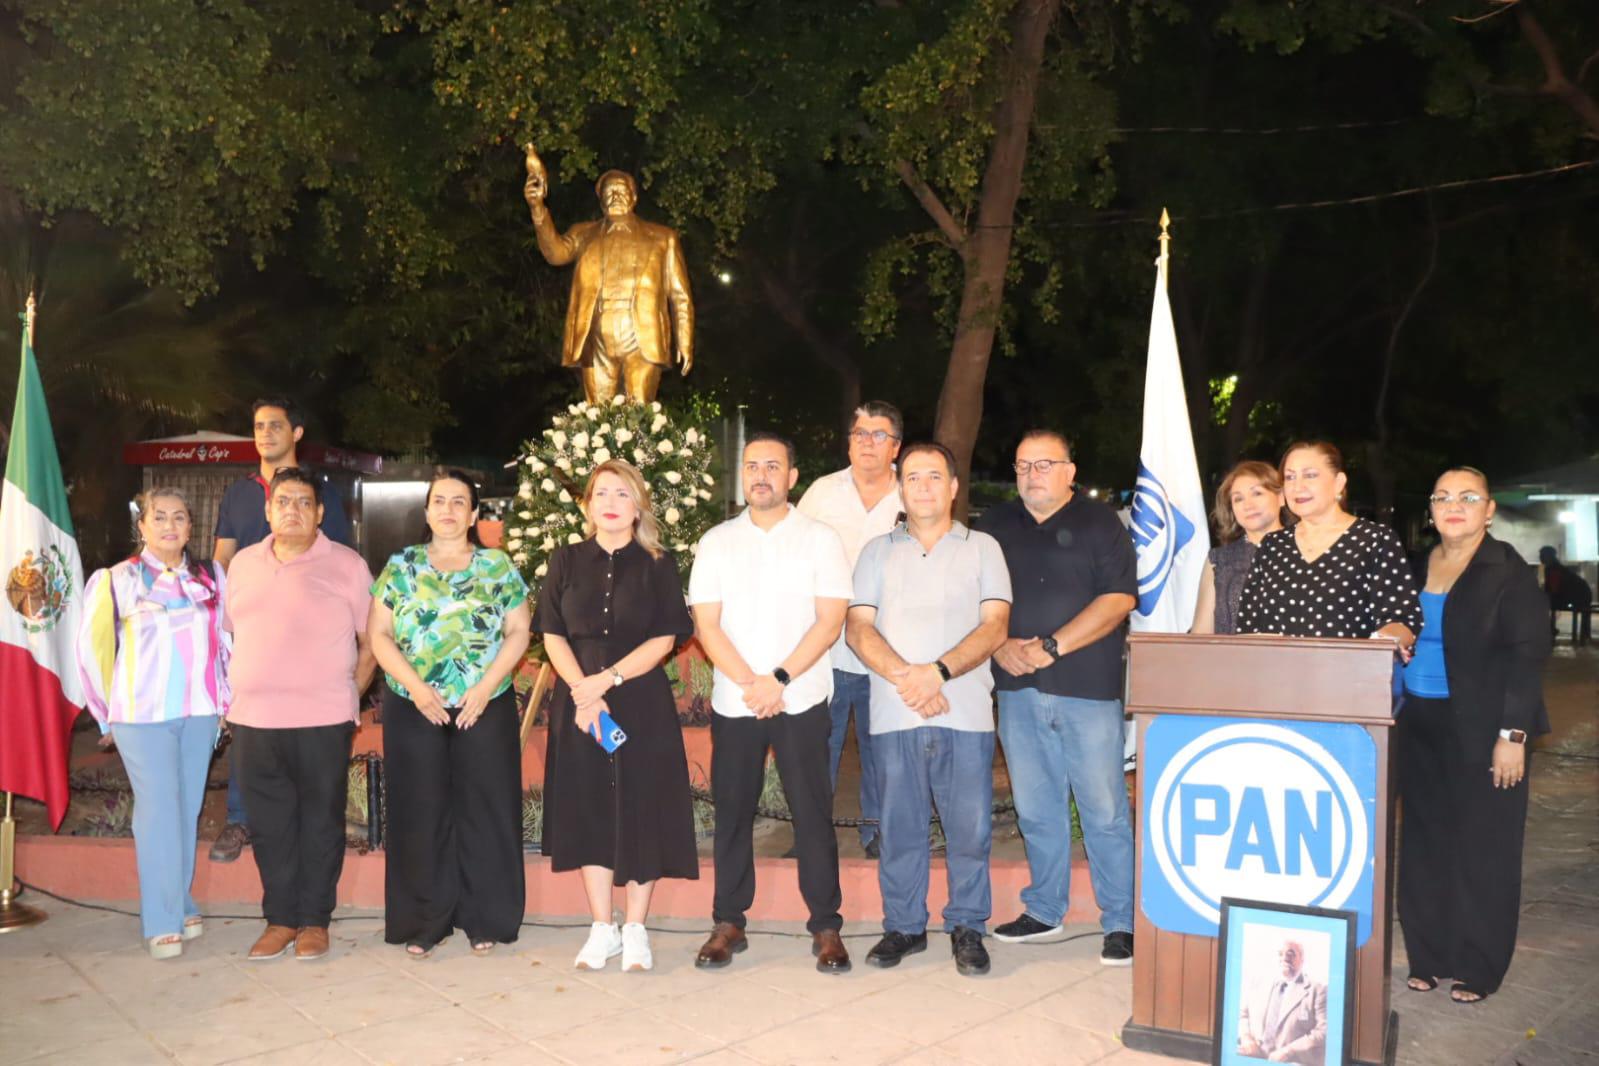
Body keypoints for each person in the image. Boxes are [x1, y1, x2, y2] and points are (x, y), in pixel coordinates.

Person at [689, 433, 854, 973]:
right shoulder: (716, 541)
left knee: (812, 813)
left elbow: (830, 620)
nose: (760, 474)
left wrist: (778, 678)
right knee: (733, 815)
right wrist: (750, 682)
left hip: (801, 696)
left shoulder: (820, 539)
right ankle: (728, 922)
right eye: (752, 465)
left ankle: (826, 925)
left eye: (772, 466)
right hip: (735, 702)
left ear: (792, 476)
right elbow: (706, 625)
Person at [846, 442, 1011, 977]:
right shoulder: (876, 552)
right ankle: (904, 927)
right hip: (895, 714)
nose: (923, 486)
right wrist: (909, 679)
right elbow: (858, 628)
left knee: (970, 830)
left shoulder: (983, 547)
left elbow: (994, 627)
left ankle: (967, 925)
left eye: (934, 477)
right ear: (901, 486)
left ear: (953, 486)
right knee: (900, 827)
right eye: (913, 477)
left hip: (963, 714)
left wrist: (936, 673)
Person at [977, 430, 1139, 965]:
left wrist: (1051, 646)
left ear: (1071, 471)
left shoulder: (1102, 525)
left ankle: (1120, 920)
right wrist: (1000, 646)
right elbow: (975, 601)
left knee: (1105, 810)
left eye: (1045, 464)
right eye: (1023, 465)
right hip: (1017, 690)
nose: (1032, 474)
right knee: (1036, 809)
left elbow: (1118, 600)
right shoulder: (993, 527)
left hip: (1088, 690)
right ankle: (1045, 909)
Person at [533, 459, 697, 972]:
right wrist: (584, 690)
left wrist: (608, 681)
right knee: (590, 810)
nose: (610, 502)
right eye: (601, 492)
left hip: (639, 701)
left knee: (640, 808)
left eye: (622, 494)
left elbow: (666, 637)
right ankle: (602, 927)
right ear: (587, 503)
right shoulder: (565, 559)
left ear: (638, 505)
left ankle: (636, 929)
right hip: (581, 707)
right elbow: (552, 633)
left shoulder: (658, 564)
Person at [1398, 467, 1551, 1004]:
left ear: (1489, 509)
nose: (1453, 505)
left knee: (1483, 847)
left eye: (1467, 497)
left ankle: (1478, 964)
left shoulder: (1507, 570)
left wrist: (1514, 733)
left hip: (1485, 727)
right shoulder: (1415, 565)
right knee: (1423, 843)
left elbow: (1527, 657)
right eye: (1442, 496)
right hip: (1416, 722)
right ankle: (1429, 954)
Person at [369, 470, 532, 959]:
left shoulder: (497, 566)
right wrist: (417, 690)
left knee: (486, 811)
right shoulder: (401, 566)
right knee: (421, 811)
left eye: (459, 502)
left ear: (475, 514)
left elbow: (519, 631)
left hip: (485, 704)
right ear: (426, 512)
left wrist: (484, 688)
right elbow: (379, 634)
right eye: (439, 501)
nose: (448, 510)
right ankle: (425, 920)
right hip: (416, 705)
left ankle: (486, 917)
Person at [226, 468, 375, 962]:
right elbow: (230, 636)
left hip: (322, 718)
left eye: (303, 502)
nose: (293, 510)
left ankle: (314, 919)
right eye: (283, 501)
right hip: (253, 719)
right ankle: (280, 919)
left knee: (318, 820)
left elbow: (371, 640)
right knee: (269, 824)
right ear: (268, 510)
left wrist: (348, 694)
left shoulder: (347, 565)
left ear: (320, 513)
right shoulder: (243, 565)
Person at [76, 489, 229, 959]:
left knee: (185, 809)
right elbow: (92, 651)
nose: (169, 525)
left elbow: (226, 640)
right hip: (141, 716)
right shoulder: (115, 580)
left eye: (179, 517)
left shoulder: (211, 576)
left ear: (190, 527)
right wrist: (105, 713)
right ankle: (160, 919)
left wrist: (225, 703)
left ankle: (179, 900)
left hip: (200, 711)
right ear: (141, 526)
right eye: (158, 517)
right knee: (158, 811)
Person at [210, 396, 353, 864]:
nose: (265, 433)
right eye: (258, 425)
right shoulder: (238, 493)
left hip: (310, 641)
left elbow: (340, 562)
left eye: (275, 425)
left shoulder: (321, 490)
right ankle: (239, 819)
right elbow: (222, 561)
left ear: (296, 433)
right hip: (250, 625)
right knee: (249, 724)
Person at [795, 401, 905, 858]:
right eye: (860, 433)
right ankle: (809, 836)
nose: (867, 443)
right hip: (825, 647)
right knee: (820, 747)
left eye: (878, 435)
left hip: (888, 647)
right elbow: (792, 553)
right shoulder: (822, 492)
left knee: (883, 749)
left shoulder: (912, 493)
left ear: (896, 446)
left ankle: (878, 833)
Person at [523, 150, 693, 404]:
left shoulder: (663, 238)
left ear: (633, 197)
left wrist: (685, 340)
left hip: (642, 337)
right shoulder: (584, 234)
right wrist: (537, 208)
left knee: (638, 421)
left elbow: (680, 297)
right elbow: (555, 253)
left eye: (621, 190)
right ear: (601, 200)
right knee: (597, 419)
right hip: (596, 337)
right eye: (608, 192)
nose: (615, 196)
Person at [1235, 441, 1421, 653]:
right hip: (1277, 678)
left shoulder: (1374, 540)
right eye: (1290, 477)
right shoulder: (1272, 545)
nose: (1298, 486)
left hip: (1348, 678)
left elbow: (1402, 618)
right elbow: (1248, 624)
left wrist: (1385, 642)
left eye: (1310, 475)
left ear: (1338, 482)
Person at [1192, 460, 1286, 635]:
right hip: (1230, 660)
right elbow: (1201, 633)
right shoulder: (1219, 560)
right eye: (1238, 498)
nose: (1248, 505)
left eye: (1257, 493)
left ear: (1281, 497)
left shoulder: (1305, 549)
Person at [1237, 938, 1328, 1066]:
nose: (1284, 958)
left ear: (1302, 960)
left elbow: (1324, 1031)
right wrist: (1247, 1039)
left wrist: (1289, 1051)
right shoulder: (1257, 982)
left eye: (1290, 954)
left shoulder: (1318, 990)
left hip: (1294, 1061)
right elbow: (1243, 1015)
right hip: (1254, 1057)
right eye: (1280, 954)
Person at [1538, 545, 1592, 645]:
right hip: (1582, 597)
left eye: (1541, 555)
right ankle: (1549, 629)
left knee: (1538, 605)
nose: (1540, 557)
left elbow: (1553, 590)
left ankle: (1549, 629)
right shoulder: (1556, 567)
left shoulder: (1553, 569)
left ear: (1549, 556)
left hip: (1577, 599)